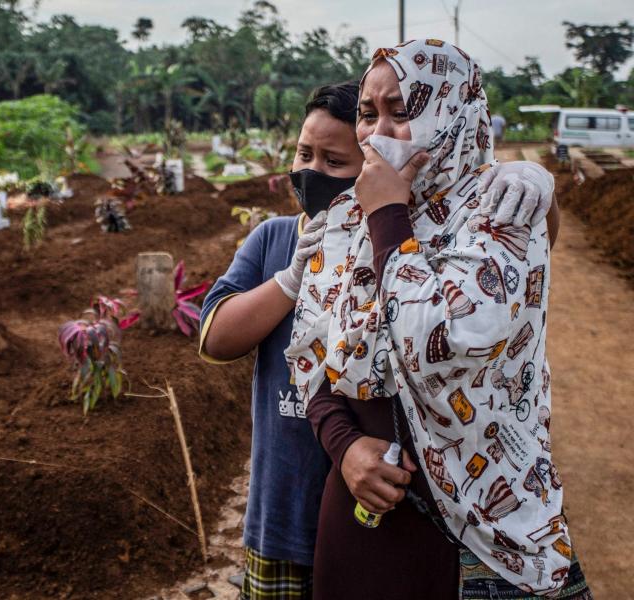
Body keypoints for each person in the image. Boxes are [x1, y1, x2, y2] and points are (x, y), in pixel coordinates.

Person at [199, 81, 558, 599]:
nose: (312, 171)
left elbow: (502, 280)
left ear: (373, 165)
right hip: (284, 515)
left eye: (334, 160)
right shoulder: (275, 239)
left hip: (377, 520)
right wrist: (289, 281)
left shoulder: (408, 246)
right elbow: (215, 339)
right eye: (304, 153)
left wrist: (538, 189)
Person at [287, 39, 591, 599]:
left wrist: (387, 216)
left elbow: (440, 341)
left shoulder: (502, 209)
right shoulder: (343, 221)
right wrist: (344, 446)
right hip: (362, 513)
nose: (377, 132)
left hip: (477, 527)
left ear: (453, 113)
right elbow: (311, 355)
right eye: (367, 113)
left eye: (402, 112)